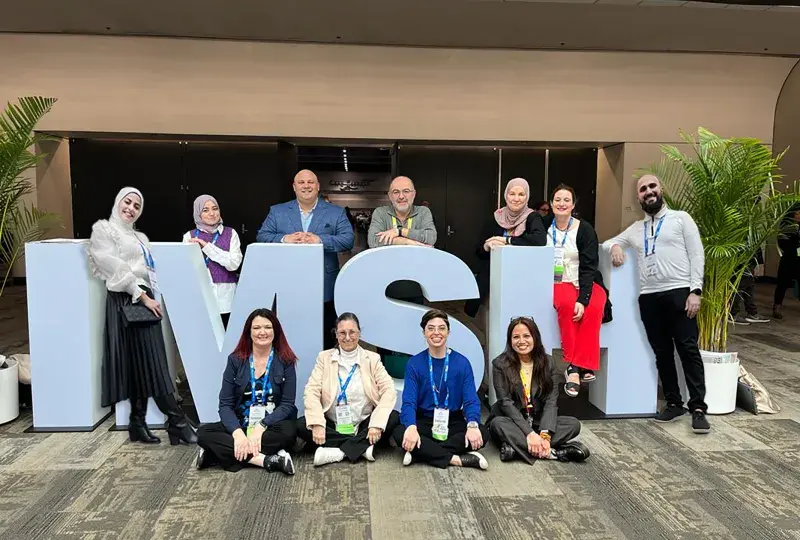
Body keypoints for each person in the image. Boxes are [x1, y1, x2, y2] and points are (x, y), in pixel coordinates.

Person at [87, 188, 197, 446]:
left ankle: (137, 422)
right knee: (153, 363)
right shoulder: (104, 229)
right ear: (118, 201)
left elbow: (148, 270)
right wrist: (142, 296)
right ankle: (177, 423)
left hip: (144, 296)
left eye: (137, 205)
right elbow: (112, 266)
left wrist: (150, 294)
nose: (131, 208)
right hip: (127, 299)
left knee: (141, 363)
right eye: (127, 202)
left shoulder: (140, 237)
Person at [603, 174, 710, 434]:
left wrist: (695, 291)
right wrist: (615, 247)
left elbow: (697, 254)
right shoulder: (636, 228)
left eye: (652, 186)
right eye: (643, 189)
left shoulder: (681, 219)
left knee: (688, 350)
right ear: (638, 197)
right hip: (649, 297)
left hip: (679, 292)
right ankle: (674, 403)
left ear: (660, 189)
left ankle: (698, 408)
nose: (648, 191)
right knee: (662, 353)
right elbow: (608, 242)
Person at [256, 169, 354, 349]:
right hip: (287, 285)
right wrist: (284, 239)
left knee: (324, 337)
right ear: (294, 187)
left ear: (318, 186)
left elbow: (348, 240)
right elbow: (262, 236)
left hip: (324, 286)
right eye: (301, 182)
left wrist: (320, 240)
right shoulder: (277, 212)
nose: (306, 186)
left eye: (310, 182)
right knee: (288, 337)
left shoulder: (336, 212)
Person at [195, 308, 297, 474]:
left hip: (271, 426)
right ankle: (266, 460)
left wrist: (262, 426)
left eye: (267, 327)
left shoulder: (286, 360)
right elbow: (225, 404)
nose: (262, 332)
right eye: (256, 328)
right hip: (242, 423)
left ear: (275, 331)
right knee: (203, 433)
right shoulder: (235, 360)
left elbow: (287, 404)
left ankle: (215, 455)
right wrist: (238, 435)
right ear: (249, 332)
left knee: (289, 433)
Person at [298, 312, 400, 467]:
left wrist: (376, 423)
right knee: (302, 424)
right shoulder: (324, 358)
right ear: (336, 334)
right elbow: (311, 391)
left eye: (352, 332)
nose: (347, 337)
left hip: (364, 424)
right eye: (342, 333)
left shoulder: (372, 358)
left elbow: (389, 390)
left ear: (359, 333)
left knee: (393, 417)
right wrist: (318, 423)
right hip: (333, 424)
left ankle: (338, 452)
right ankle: (361, 448)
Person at [392, 309, 489, 470]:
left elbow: (471, 400)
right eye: (431, 328)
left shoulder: (462, 363)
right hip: (424, 419)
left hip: (452, 420)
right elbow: (409, 402)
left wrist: (472, 425)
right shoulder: (415, 363)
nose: (436, 332)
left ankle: (421, 452)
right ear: (424, 333)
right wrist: (411, 427)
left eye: (441, 328)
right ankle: (456, 459)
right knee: (399, 432)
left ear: (448, 332)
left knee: (482, 432)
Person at [488, 317, 590, 464]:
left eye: (526, 336)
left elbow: (551, 402)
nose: (521, 341)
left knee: (573, 424)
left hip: (538, 420)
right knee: (497, 424)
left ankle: (517, 449)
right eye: (516, 337)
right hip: (512, 420)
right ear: (510, 340)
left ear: (535, 337)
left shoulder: (548, 362)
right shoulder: (500, 364)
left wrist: (545, 435)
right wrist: (530, 434)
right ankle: (554, 453)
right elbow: (505, 403)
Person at [544, 184, 608, 398]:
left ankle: (574, 366)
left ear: (573, 205)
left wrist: (583, 298)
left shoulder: (585, 229)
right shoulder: (543, 226)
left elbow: (590, 266)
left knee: (595, 307)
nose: (561, 204)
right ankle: (580, 366)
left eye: (566, 200)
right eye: (557, 200)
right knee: (566, 306)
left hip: (584, 282)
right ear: (551, 203)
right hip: (556, 282)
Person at [465, 178, 546, 320]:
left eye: (521, 194)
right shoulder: (496, 217)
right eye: (512, 194)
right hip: (494, 277)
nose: (516, 198)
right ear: (505, 195)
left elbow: (539, 239)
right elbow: (478, 251)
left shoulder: (532, 217)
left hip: (522, 277)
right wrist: (486, 247)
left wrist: (507, 240)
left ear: (527, 196)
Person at [182, 195, 242, 327]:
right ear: (198, 213)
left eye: (215, 209)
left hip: (225, 299)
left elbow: (234, 264)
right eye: (205, 210)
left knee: (226, 333)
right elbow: (186, 268)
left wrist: (207, 247)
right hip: (200, 296)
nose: (212, 213)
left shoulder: (230, 233)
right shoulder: (189, 236)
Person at [773, 207, 800, 320]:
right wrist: (796, 244)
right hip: (789, 259)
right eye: (797, 214)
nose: (799, 216)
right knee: (782, 284)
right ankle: (777, 306)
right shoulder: (786, 226)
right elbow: (782, 242)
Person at [730, 249, 769, 325]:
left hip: (750, 259)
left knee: (749, 286)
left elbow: (757, 245)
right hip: (741, 259)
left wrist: (759, 262)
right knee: (739, 286)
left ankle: (752, 312)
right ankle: (733, 314)